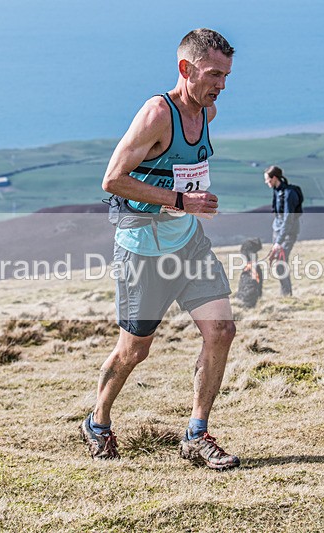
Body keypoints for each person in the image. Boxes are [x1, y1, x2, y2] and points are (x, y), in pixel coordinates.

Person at [79, 29, 240, 470]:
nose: (221, 85)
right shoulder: (157, 113)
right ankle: (98, 422)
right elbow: (112, 179)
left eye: (226, 76)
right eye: (213, 75)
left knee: (221, 331)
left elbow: (183, 169)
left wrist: (189, 200)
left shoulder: (208, 110)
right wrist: (182, 200)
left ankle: (196, 434)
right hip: (143, 253)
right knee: (134, 351)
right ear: (186, 69)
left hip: (188, 243)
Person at [264, 165, 302, 296]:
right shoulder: (276, 191)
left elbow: (288, 219)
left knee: (281, 264)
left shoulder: (289, 194)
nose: (266, 182)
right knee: (279, 263)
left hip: (287, 233)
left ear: (274, 178)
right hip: (278, 231)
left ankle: (287, 295)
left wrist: (278, 242)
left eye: (267, 179)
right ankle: (285, 294)